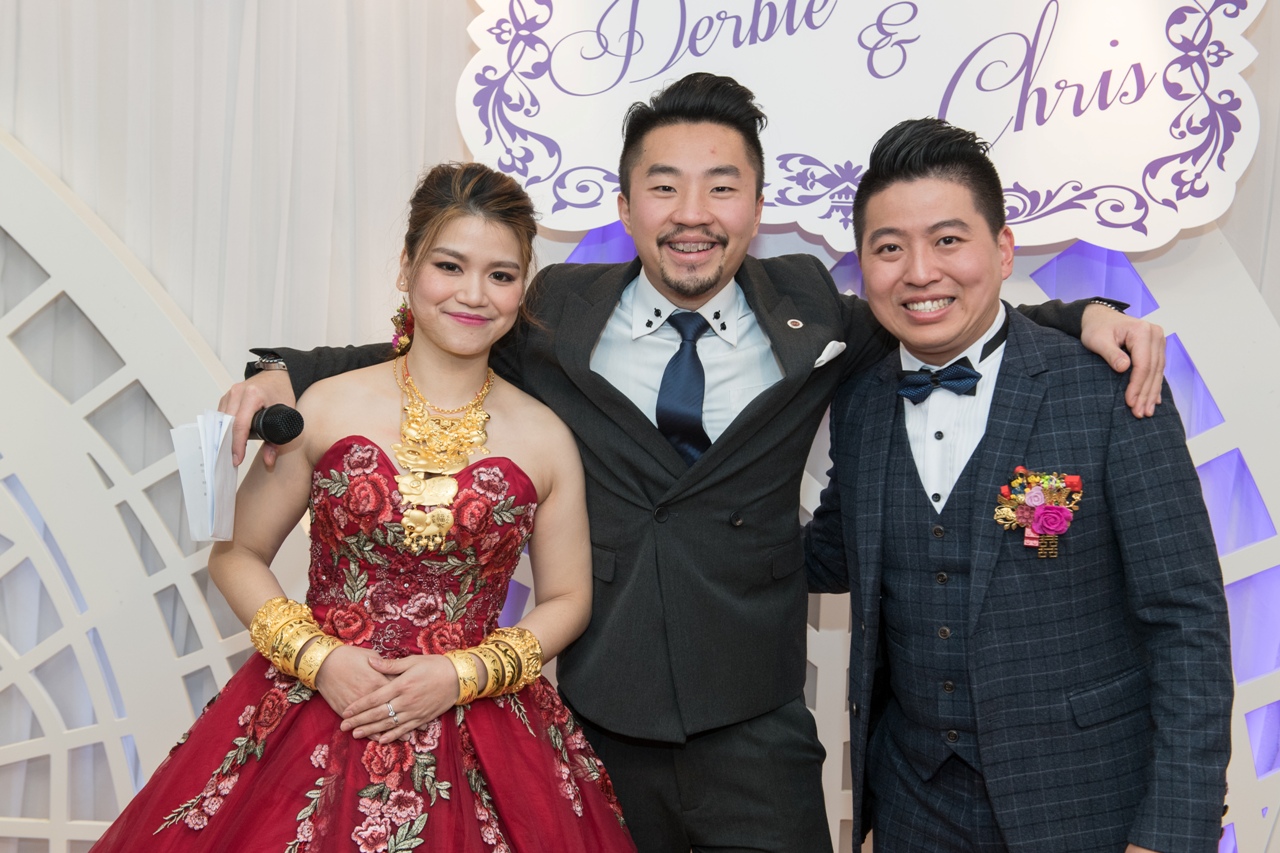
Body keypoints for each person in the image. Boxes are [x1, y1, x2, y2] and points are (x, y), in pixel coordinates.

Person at [220, 74, 1169, 852]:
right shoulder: (556, 309)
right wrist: (289, 370)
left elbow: (935, 312)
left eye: (721, 186)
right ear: (625, 204)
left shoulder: (813, 309)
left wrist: (1077, 316)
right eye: (664, 186)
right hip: (598, 716)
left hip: (758, 723)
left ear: (757, 205)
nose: (692, 214)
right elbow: (438, 338)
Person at [91, 163, 636, 852]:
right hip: (317, 701)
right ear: (407, 268)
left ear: (522, 287)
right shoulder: (325, 405)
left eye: (501, 274)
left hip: (480, 716)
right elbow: (236, 553)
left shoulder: (546, 436)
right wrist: (320, 660)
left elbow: (568, 598)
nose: (474, 294)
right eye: (449, 265)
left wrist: (460, 675)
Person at [804, 118, 1231, 853]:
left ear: (1002, 250)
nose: (920, 271)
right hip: (913, 805)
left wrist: (1170, 831)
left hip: (1086, 803)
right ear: (862, 266)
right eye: (889, 247)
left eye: (948, 240)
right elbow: (834, 552)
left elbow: (1185, 619)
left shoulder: (1106, 390)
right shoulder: (862, 400)